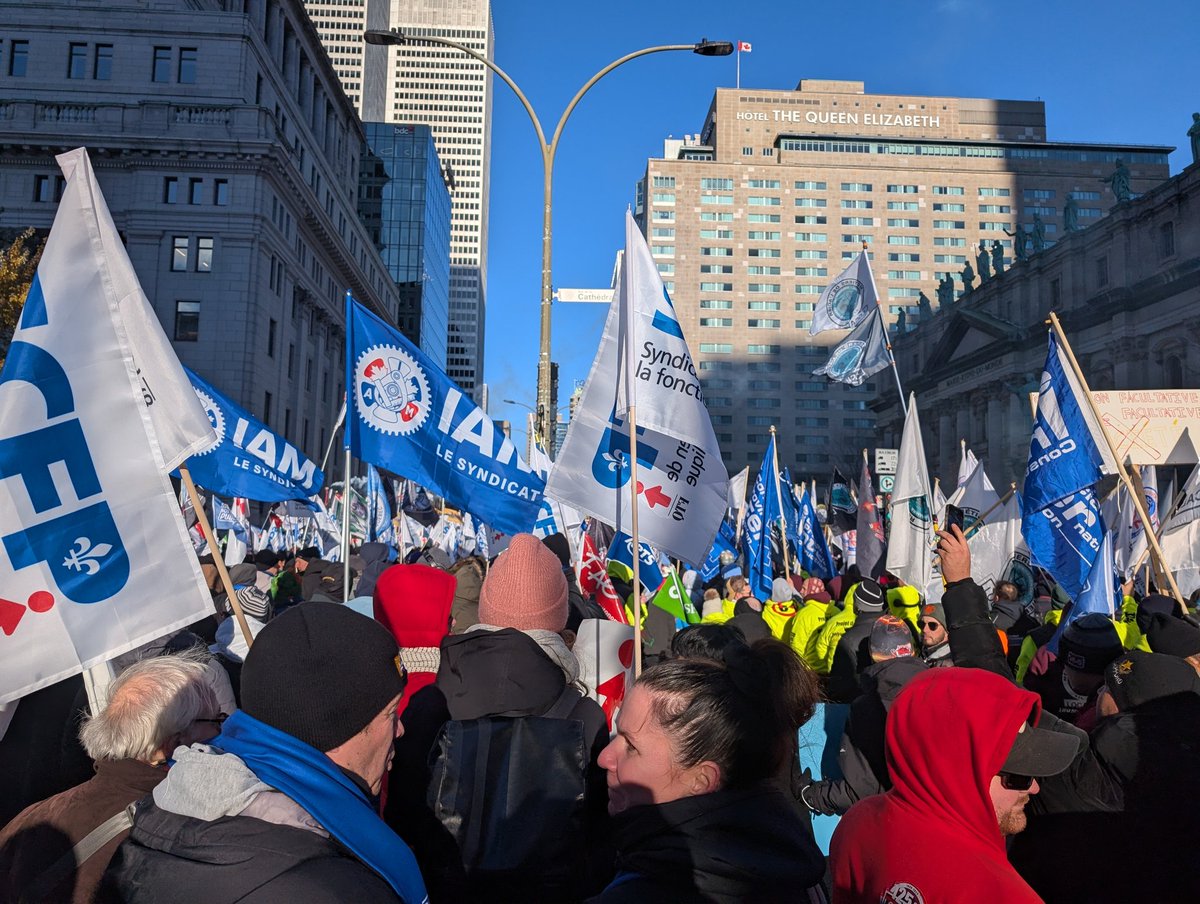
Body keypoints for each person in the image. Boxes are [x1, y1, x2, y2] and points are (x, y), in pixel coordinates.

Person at [101, 603, 425, 903]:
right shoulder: (332, 886)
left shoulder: (161, 809)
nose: (400, 730)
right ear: (335, 727)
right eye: (390, 713)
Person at [386, 533, 608, 901]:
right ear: (557, 618)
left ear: (486, 608)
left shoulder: (430, 703)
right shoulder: (586, 716)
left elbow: (400, 819)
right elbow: (598, 843)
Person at [591, 640, 826, 901]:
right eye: (616, 735)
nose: (604, 758)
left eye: (631, 747)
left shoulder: (648, 891)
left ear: (701, 780)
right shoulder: (783, 853)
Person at [829, 668, 1080, 902]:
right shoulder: (1002, 894)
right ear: (958, 772)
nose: (1034, 788)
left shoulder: (857, 825)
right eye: (1018, 776)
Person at [0, 654, 221, 904]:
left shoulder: (28, 818)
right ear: (173, 744)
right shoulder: (184, 829)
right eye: (216, 720)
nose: (224, 730)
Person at [1010, 650, 1200, 901]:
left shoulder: (1075, 770)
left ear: (1128, 704)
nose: (1098, 693)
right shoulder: (1185, 787)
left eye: (1108, 687)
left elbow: (1001, 692)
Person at [797, 615, 927, 816]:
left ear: (871, 655)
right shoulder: (939, 689)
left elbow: (858, 791)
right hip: (942, 821)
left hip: (893, 821)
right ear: (910, 650)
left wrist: (811, 795)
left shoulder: (868, 707)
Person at [1024, 613, 1124, 730]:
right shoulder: (1123, 697)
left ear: (1077, 665)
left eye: (1064, 662)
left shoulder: (1094, 720)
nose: (1063, 668)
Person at [827, 578, 887, 703]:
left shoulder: (848, 639)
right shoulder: (896, 630)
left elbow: (840, 685)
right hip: (892, 704)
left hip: (861, 708)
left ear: (857, 605)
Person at [920, 601, 953, 667]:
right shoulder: (919, 654)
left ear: (946, 630)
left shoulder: (950, 664)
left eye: (932, 625)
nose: (925, 630)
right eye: (921, 624)